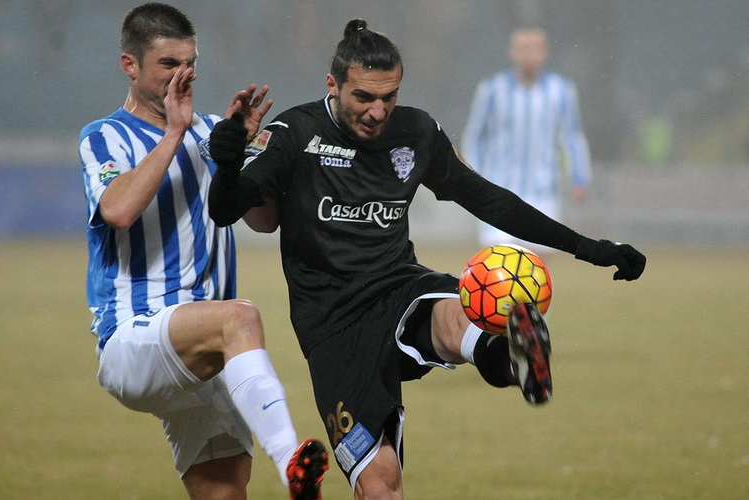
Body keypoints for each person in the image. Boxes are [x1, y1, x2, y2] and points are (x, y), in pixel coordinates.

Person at [207, 19, 646, 499]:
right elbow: (227, 209)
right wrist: (228, 162)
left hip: (398, 285)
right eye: (364, 98)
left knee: (457, 308)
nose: (378, 111)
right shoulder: (296, 132)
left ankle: (506, 357)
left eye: (389, 97)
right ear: (332, 85)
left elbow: (489, 199)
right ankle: (500, 355)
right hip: (330, 325)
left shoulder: (416, 132)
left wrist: (587, 246)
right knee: (381, 485)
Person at [78, 4, 327, 499]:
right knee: (241, 318)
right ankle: (291, 465)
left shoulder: (215, 132)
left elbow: (263, 219)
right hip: (134, 337)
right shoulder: (104, 136)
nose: (182, 74)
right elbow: (120, 211)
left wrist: (241, 156)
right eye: (168, 64)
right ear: (131, 66)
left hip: (201, 355)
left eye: (190, 63)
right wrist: (174, 131)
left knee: (225, 491)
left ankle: (295, 478)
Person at [462, 28, 592, 251]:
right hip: (499, 189)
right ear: (512, 53)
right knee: (499, 262)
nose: (528, 56)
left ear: (545, 53)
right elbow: (475, 136)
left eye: (533, 50)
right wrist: (472, 177)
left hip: (543, 190)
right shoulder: (492, 90)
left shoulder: (561, 90)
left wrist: (579, 178)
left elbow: (572, 135)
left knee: (538, 265)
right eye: (523, 50)